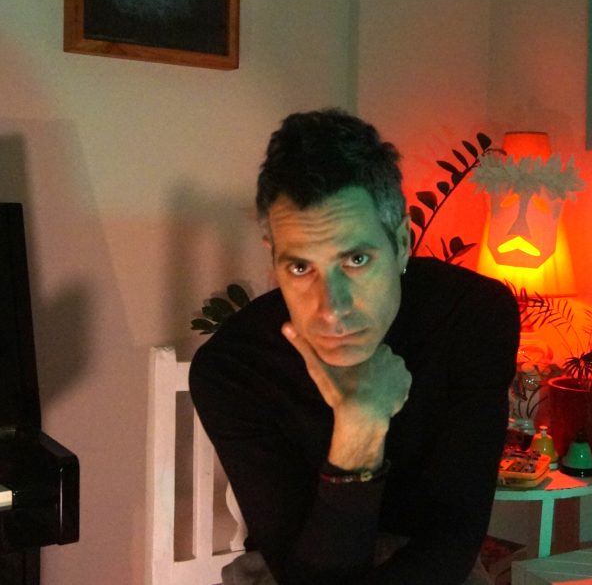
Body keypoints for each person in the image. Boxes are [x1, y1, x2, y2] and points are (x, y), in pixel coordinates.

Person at [189, 109, 520, 585]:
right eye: (300, 268)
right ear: (273, 258)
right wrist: (359, 429)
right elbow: (300, 572)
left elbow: (453, 539)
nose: (332, 308)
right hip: (298, 563)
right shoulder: (233, 367)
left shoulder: (471, 316)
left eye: (357, 259)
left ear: (402, 243)